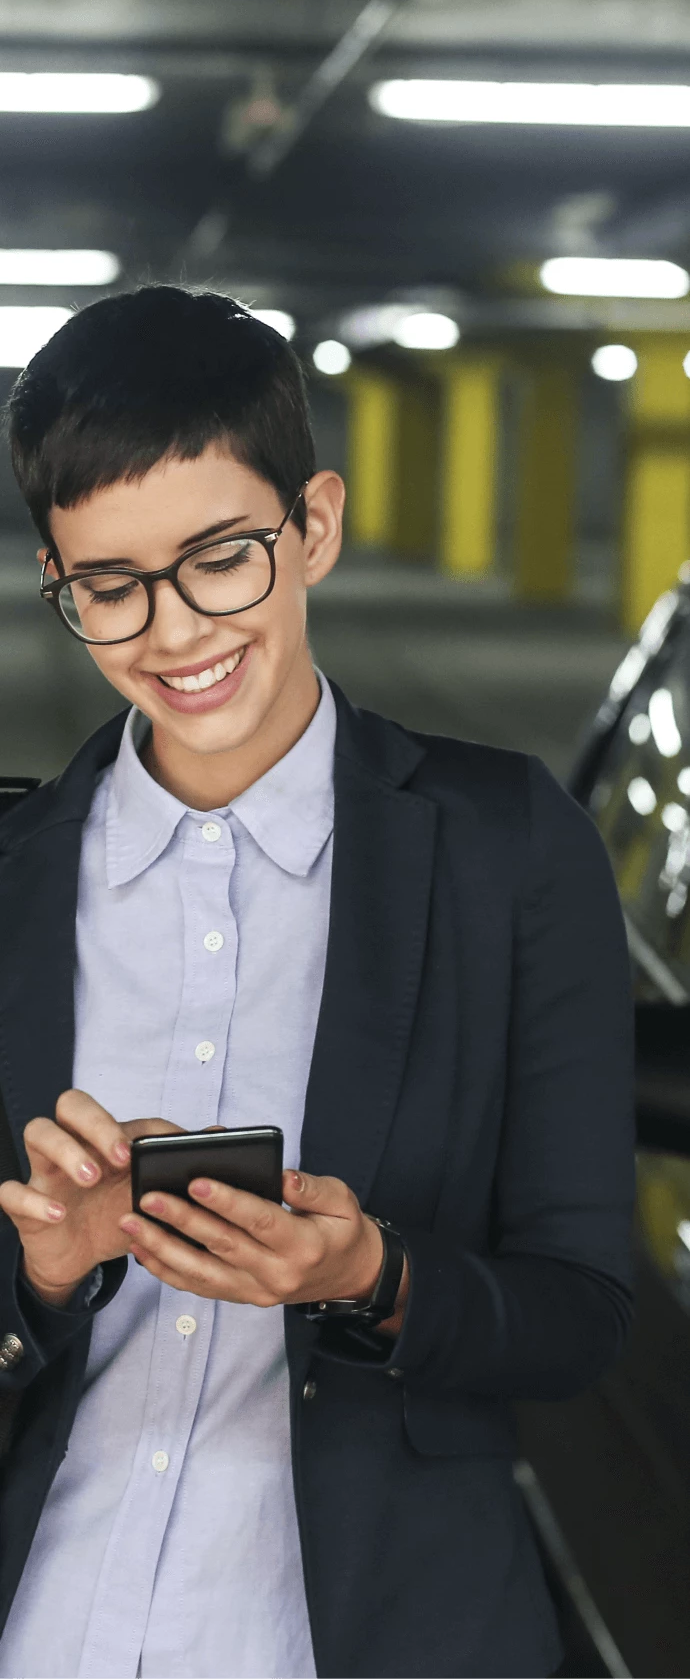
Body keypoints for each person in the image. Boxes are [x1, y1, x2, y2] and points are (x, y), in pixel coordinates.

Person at [0, 286, 634, 1679]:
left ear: (316, 525)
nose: (171, 631)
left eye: (220, 555)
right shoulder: (11, 880)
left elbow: (583, 1306)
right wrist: (39, 1272)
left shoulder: (506, 846)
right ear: (58, 576)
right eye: (107, 584)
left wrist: (373, 1272)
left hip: (373, 1628)